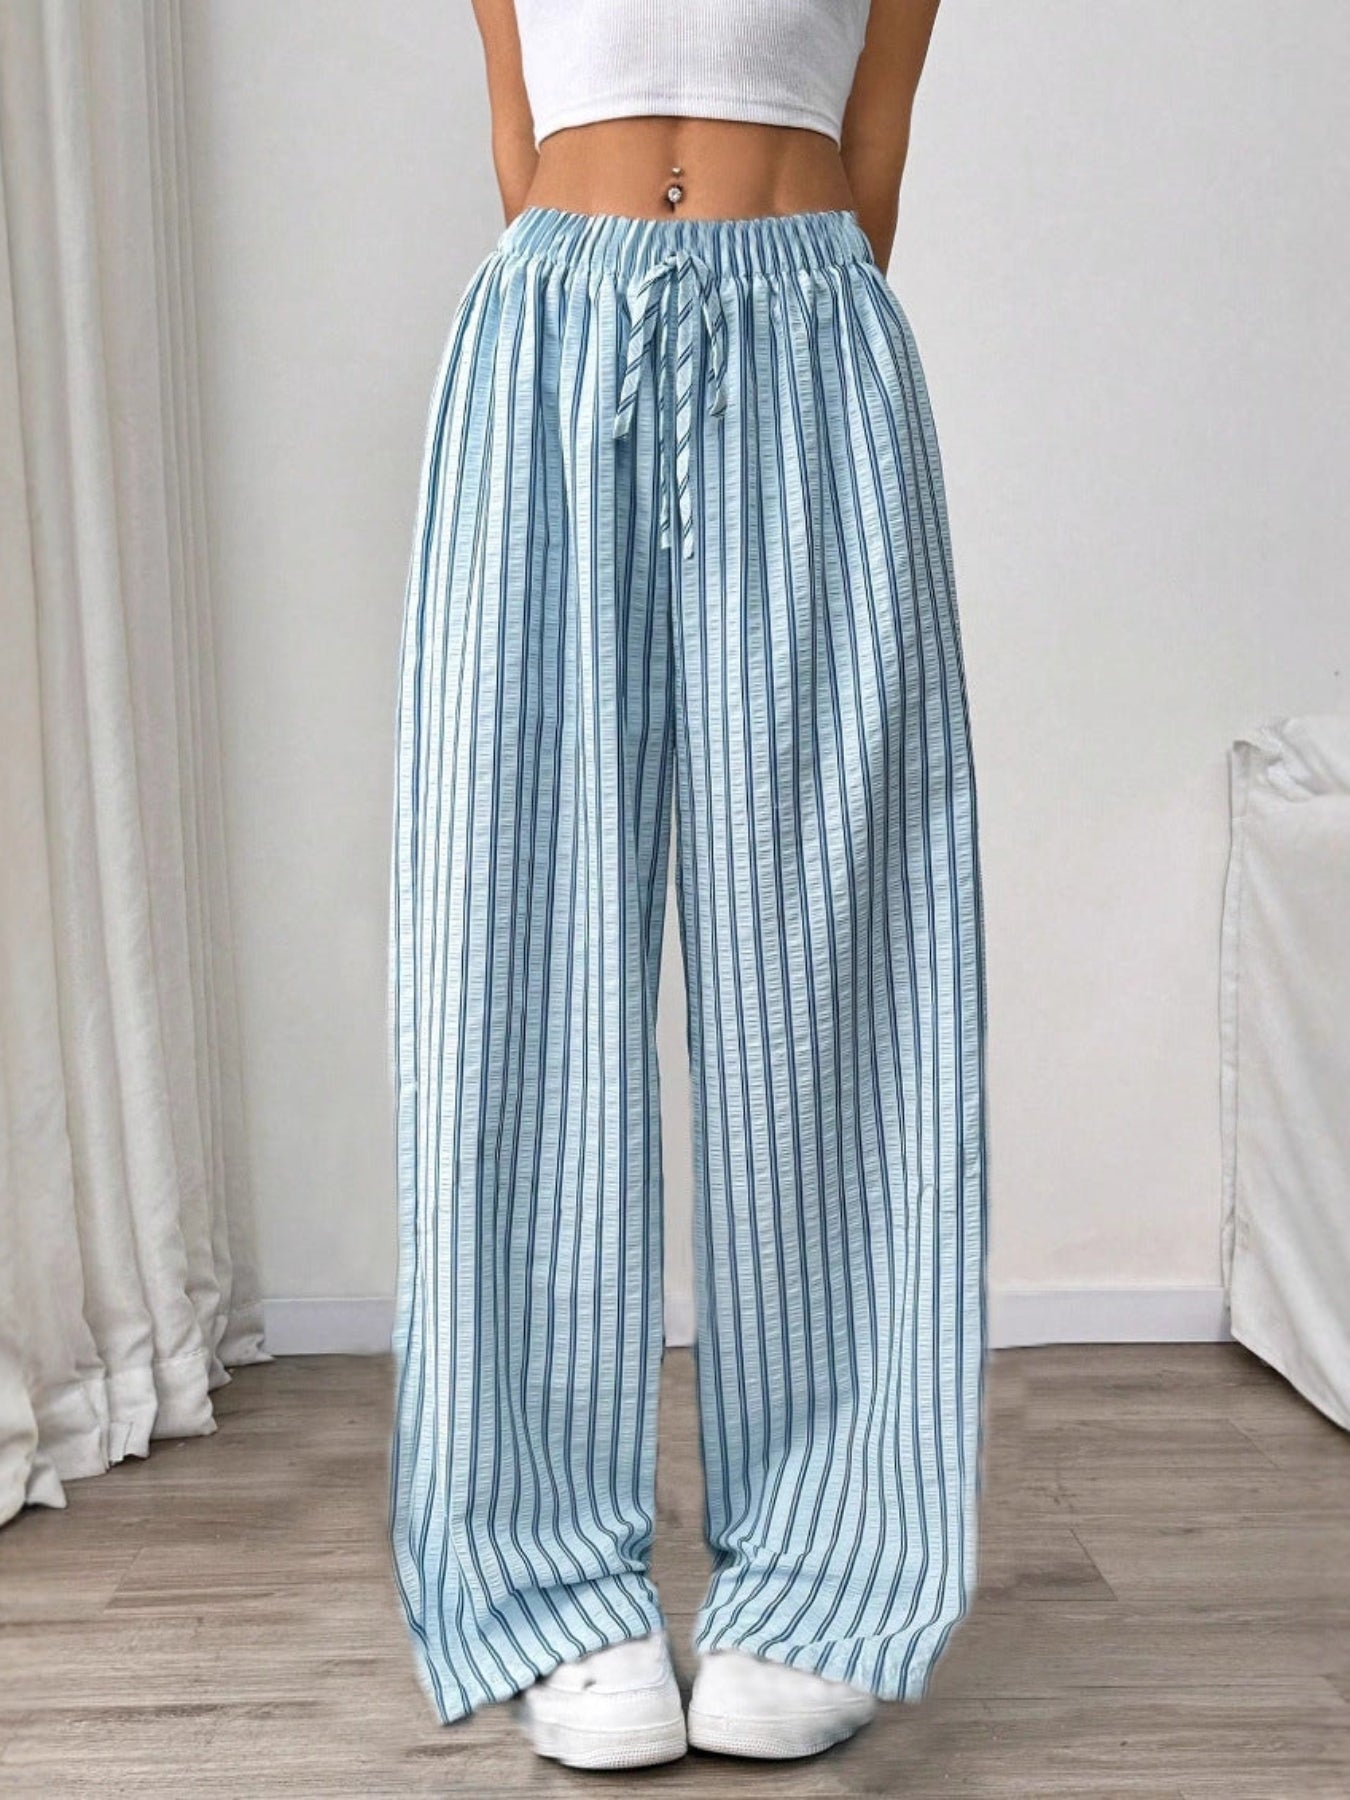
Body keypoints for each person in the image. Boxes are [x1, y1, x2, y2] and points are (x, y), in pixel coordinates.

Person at [388, 0, 988, 1770]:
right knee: (513, 958)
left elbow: (872, 155)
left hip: (810, 336)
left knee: (837, 969)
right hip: (543, 343)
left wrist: (770, 339)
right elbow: (518, 141)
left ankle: (822, 1570)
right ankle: (550, 1587)